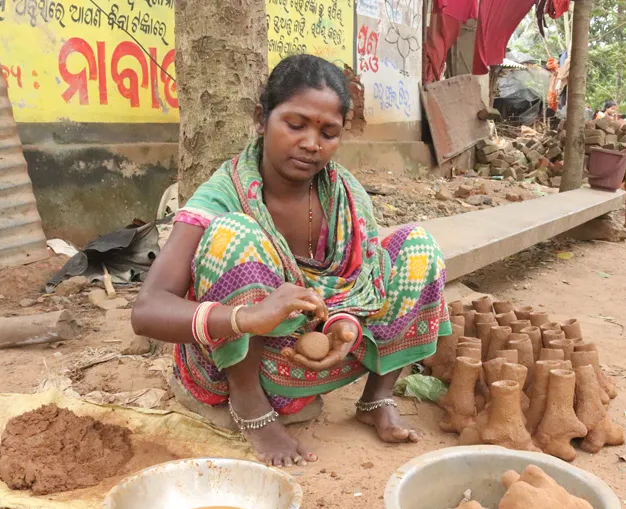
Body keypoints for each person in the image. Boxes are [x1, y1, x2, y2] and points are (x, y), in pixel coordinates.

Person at [132, 55, 450, 467]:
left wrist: (344, 325)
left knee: (419, 247)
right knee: (236, 234)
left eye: (328, 132)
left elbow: (361, 284)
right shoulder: (222, 195)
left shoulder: (345, 196)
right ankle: (250, 407)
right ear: (262, 119)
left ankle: (376, 397)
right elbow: (148, 309)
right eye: (295, 125)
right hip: (239, 362)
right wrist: (247, 317)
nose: (311, 143)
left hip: (318, 356)